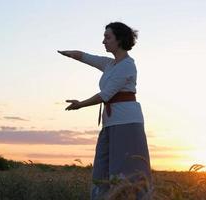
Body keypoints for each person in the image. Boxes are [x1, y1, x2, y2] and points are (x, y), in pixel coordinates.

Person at [58, 22, 152, 199]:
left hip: (127, 123)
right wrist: (70, 54)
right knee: (102, 169)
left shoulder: (127, 65)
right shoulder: (110, 64)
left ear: (120, 40)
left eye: (107, 37)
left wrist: (80, 104)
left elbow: (105, 95)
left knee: (127, 171)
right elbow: (87, 57)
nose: (103, 41)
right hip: (110, 123)